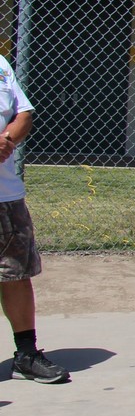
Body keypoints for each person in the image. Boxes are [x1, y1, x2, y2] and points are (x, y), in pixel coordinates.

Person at [0, 55, 65, 384]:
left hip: (6, 196)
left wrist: (7, 140)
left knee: (15, 273)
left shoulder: (0, 65)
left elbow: (23, 113)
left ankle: (26, 354)